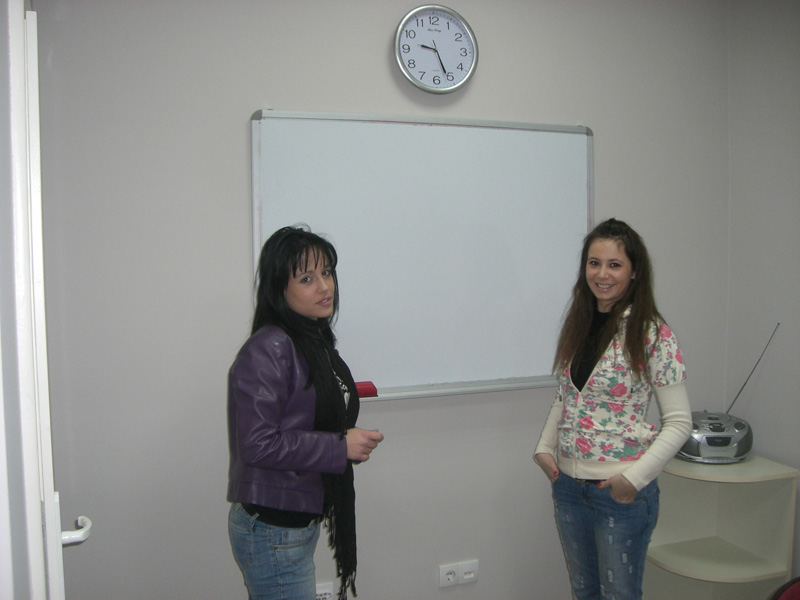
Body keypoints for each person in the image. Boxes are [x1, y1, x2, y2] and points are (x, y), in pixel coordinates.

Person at [533, 218, 691, 600]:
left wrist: (633, 479)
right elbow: (566, 396)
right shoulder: (581, 324)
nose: (602, 274)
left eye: (614, 264)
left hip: (619, 492)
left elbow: (679, 422)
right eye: (594, 263)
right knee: (584, 591)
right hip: (569, 488)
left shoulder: (652, 332)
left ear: (634, 271)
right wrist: (544, 448)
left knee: (619, 594)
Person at [227, 225, 384, 600]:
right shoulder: (268, 349)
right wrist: (339, 447)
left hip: (294, 520)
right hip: (274, 528)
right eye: (307, 278)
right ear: (279, 288)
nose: (325, 287)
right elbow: (258, 445)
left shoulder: (313, 339)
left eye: (327, 273)